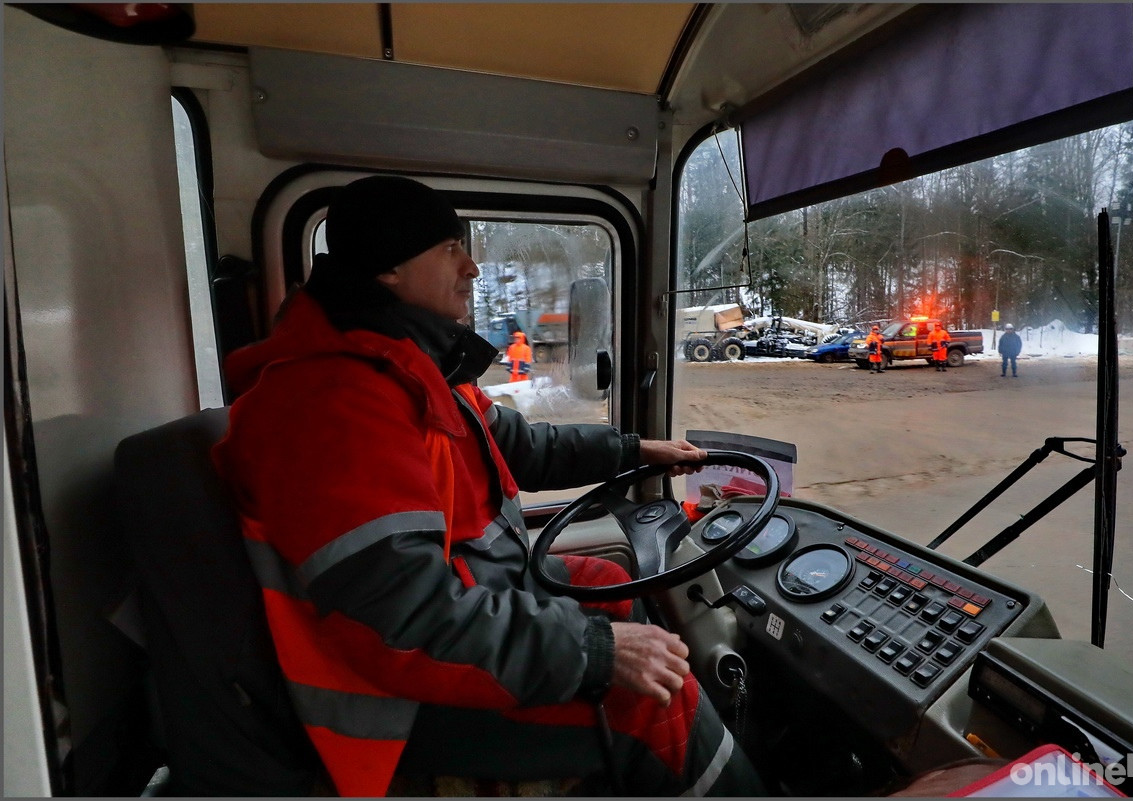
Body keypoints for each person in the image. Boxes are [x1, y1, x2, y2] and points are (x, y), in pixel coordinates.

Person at [212, 176, 765, 797]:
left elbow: (522, 447)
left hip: (464, 599)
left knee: (608, 582)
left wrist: (636, 449)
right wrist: (597, 653)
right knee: (661, 704)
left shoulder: (412, 369)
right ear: (390, 268)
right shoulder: (332, 404)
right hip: (392, 702)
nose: (472, 267)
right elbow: (405, 622)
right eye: (451, 248)